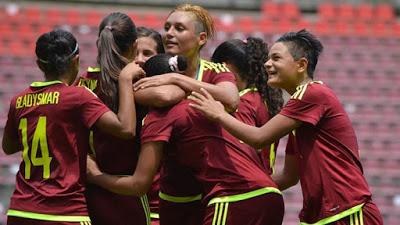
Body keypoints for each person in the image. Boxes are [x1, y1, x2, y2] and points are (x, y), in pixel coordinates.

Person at [189, 29, 383, 225]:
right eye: (268, 59)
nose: (267, 64)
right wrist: (253, 192)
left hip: (348, 210)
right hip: (319, 216)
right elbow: (289, 176)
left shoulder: (312, 93)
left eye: (276, 58)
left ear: (301, 65)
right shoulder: (298, 115)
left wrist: (219, 114)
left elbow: (259, 137)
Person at [87, 53, 285, 225]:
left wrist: (96, 175)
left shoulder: (159, 118)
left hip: (234, 197)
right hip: (270, 196)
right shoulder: (203, 102)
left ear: (148, 82)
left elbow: (139, 184)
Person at [2, 29, 143, 225]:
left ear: (38, 64)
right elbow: (126, 129)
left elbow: (8, 147)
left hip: (21, 212)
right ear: (76, 59)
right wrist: (126, 80)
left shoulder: (19, 100)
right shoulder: (78, 96)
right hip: (65, 212)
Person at [132, 5, 240, 224]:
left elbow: (231, 98)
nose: (169, 33)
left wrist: (177, 79)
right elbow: (164, 96)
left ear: (201, 38)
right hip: (175, 192)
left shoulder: (215, 70)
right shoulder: (150, 72)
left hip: (215, 190)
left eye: (179, 28)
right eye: (167, 27)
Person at [74, 13, 152, 225]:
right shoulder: (139, 83)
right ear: (135, 45)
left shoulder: (80, 85)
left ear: (99, 43)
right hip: (129, 193)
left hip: (88, 194)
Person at [211, 37, 284, 174]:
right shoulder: (263, 99)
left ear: (225, 69)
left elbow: (240, 154)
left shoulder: (243, 103)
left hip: (243, 188)